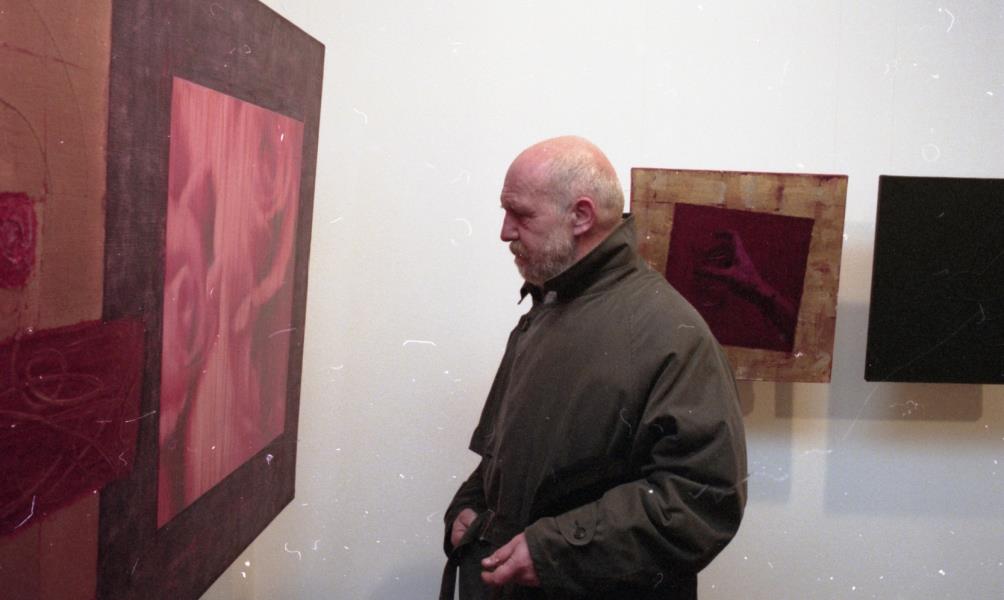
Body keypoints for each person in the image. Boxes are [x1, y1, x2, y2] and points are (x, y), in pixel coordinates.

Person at [441, 136, 747, 600]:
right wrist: (469, 506)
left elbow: (700, 500)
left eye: (520, 214)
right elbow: (505, 459)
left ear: (581, 216)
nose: (505, 232)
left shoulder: (673, 334)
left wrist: (555, 550)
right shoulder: (546, 307)